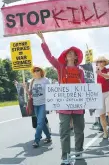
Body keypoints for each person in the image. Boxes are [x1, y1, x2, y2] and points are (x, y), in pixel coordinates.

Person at [37, 32, 86, 165]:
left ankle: (79, 153)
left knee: (79, 131)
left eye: (72, 53)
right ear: (65, 56)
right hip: (64, 107)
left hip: (77, 106)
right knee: (64, 132)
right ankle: (65, 157)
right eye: (68, 53)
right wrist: (43, 40)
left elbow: (84, 88)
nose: (70, 54)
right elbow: (50, 57)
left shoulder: (81, 71)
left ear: (76, 56)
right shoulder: (60, 68)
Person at [26, 66, 52, 148]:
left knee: (39, 123)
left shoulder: (46, 80)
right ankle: (48, 137)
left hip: (43, 104)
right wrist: (25, 88)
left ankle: (36, 140)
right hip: (35, 104)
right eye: (34, 71)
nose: (36, 72)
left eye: (38, 70)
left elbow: (51, 91)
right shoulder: (32, 81)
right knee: (42, 122)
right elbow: (30, 94)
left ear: (41, 71)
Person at [93, 56, 109, 142]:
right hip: (98, 94)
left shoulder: (108, 70)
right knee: (101, 115)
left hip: (108, 92)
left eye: (102, 61)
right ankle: (105, 132)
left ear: (105, 63)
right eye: (99, 61)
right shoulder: (94, 72)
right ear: (97, 63)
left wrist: (100, 73)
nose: (101, 62)